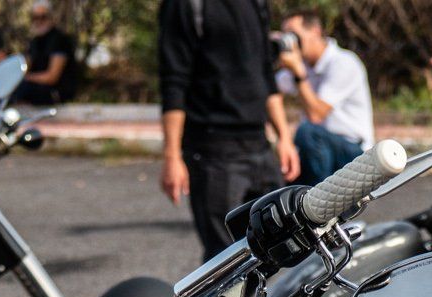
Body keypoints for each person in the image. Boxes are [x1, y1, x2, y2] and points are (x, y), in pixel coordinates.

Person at [158, 0, 300, 260]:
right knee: (224, 259)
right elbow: (174, 82)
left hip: (259, 143)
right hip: (213, 151)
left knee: (281, 247)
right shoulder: (186, 5)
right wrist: (171, 156)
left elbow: (265, 73)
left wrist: (284, 138)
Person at [276, 9, 373, 185]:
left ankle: (321, 207)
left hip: (354, 155)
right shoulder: (302, 64)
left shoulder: (344, 62)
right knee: (280, 178)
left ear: (315, 32)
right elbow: (269, 92)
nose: (291, 43)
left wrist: (299, 74)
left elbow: (316, 115)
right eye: (285, 37)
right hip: (320, 151)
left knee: (307, 131)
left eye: (294, 36)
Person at [17, 0, 78, 105]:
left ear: (51, 17)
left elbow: (52, 77)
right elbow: (25, 67)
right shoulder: (34, 42)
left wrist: (27, 78)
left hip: (55, 92)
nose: (39, 21)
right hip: (35, 89)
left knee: (23, 88)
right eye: (35, 17)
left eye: (43, 17)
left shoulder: (60, 40)